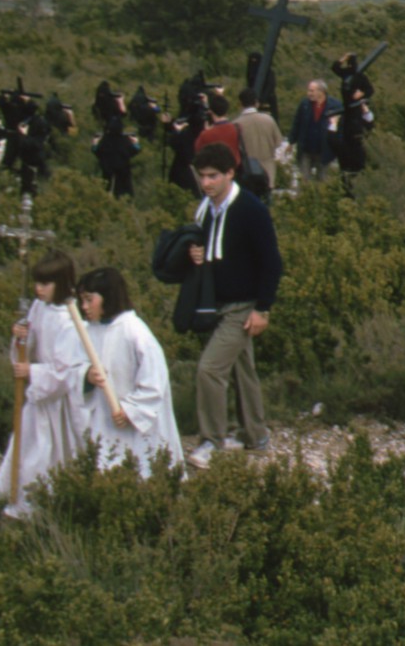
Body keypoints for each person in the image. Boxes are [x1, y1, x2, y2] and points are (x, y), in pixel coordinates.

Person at [186, 143, 282, 466]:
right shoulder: (207, 208)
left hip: (242, 306)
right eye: (202, 177)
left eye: (213, 176)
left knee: (209, 370)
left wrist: (262, 309)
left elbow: (272, 262)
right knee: (243, 370)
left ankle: (211, 440)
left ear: (230, 173)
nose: (207, 183)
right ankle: (256, 435)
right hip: (218, 303)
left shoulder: (251, 210)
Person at [0, 252, 89, 518]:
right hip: (39, 396)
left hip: (57, 401)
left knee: (47, 453)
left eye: (46, 284)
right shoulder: (39, 307)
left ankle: (41, 507)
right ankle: (18, 500)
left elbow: (65, 371)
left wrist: (32, 371)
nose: (39, 289)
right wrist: (21, 337)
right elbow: (30, 343)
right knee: (28, 448)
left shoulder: (69, 320)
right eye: (37, 283)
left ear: (60, 283)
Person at [75, 267, 185, 477]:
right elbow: (76, 365)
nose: (84, 306)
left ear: (107, 297)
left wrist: (131, 410)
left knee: (145, 471)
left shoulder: (134, 331)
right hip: (105, 420)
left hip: (138, 424)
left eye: (89, 299)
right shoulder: (90, 330)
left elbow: (155, 381)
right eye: (82, 300)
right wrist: (87, 375)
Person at [229, 89, 281, 201]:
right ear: (256, 103)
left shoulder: (236, 124)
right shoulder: (269, 120)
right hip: (268, 171)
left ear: (240, 104)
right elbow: (278, 142)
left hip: (247, 173)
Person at [289, 79, 335, 188]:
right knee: (304, 180)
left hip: (324, 150)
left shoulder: (334, 105)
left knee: (322, 181)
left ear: (321, 91)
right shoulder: (305, 105)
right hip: (306, 149)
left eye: (312, 91)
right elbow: (297, 123)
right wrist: (291, 141)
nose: (309, 93)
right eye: (309, 90)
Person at [93, 113, 140, 199]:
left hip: (107, 170)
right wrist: (136, 143)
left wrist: (95, 143)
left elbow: (97, 152)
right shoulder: (125, 140)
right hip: (123, 171)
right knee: (123, 193)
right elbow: (135, 151)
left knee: (105, 188)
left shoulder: (105, 140)